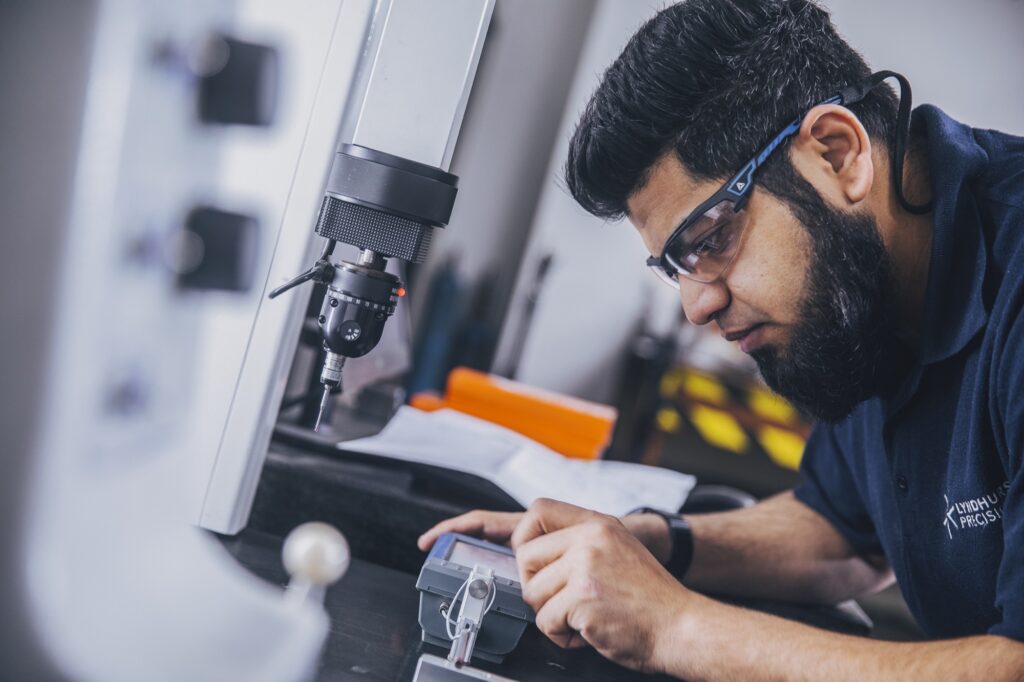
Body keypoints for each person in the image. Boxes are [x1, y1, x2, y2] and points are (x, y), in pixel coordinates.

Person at [419, 0, 1024, 678]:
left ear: (837, 152)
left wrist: (670, 624)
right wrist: (645, 546)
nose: (696, 307)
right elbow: (840, 534)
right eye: (676, 265)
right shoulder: (862, 298)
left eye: (711, 240)